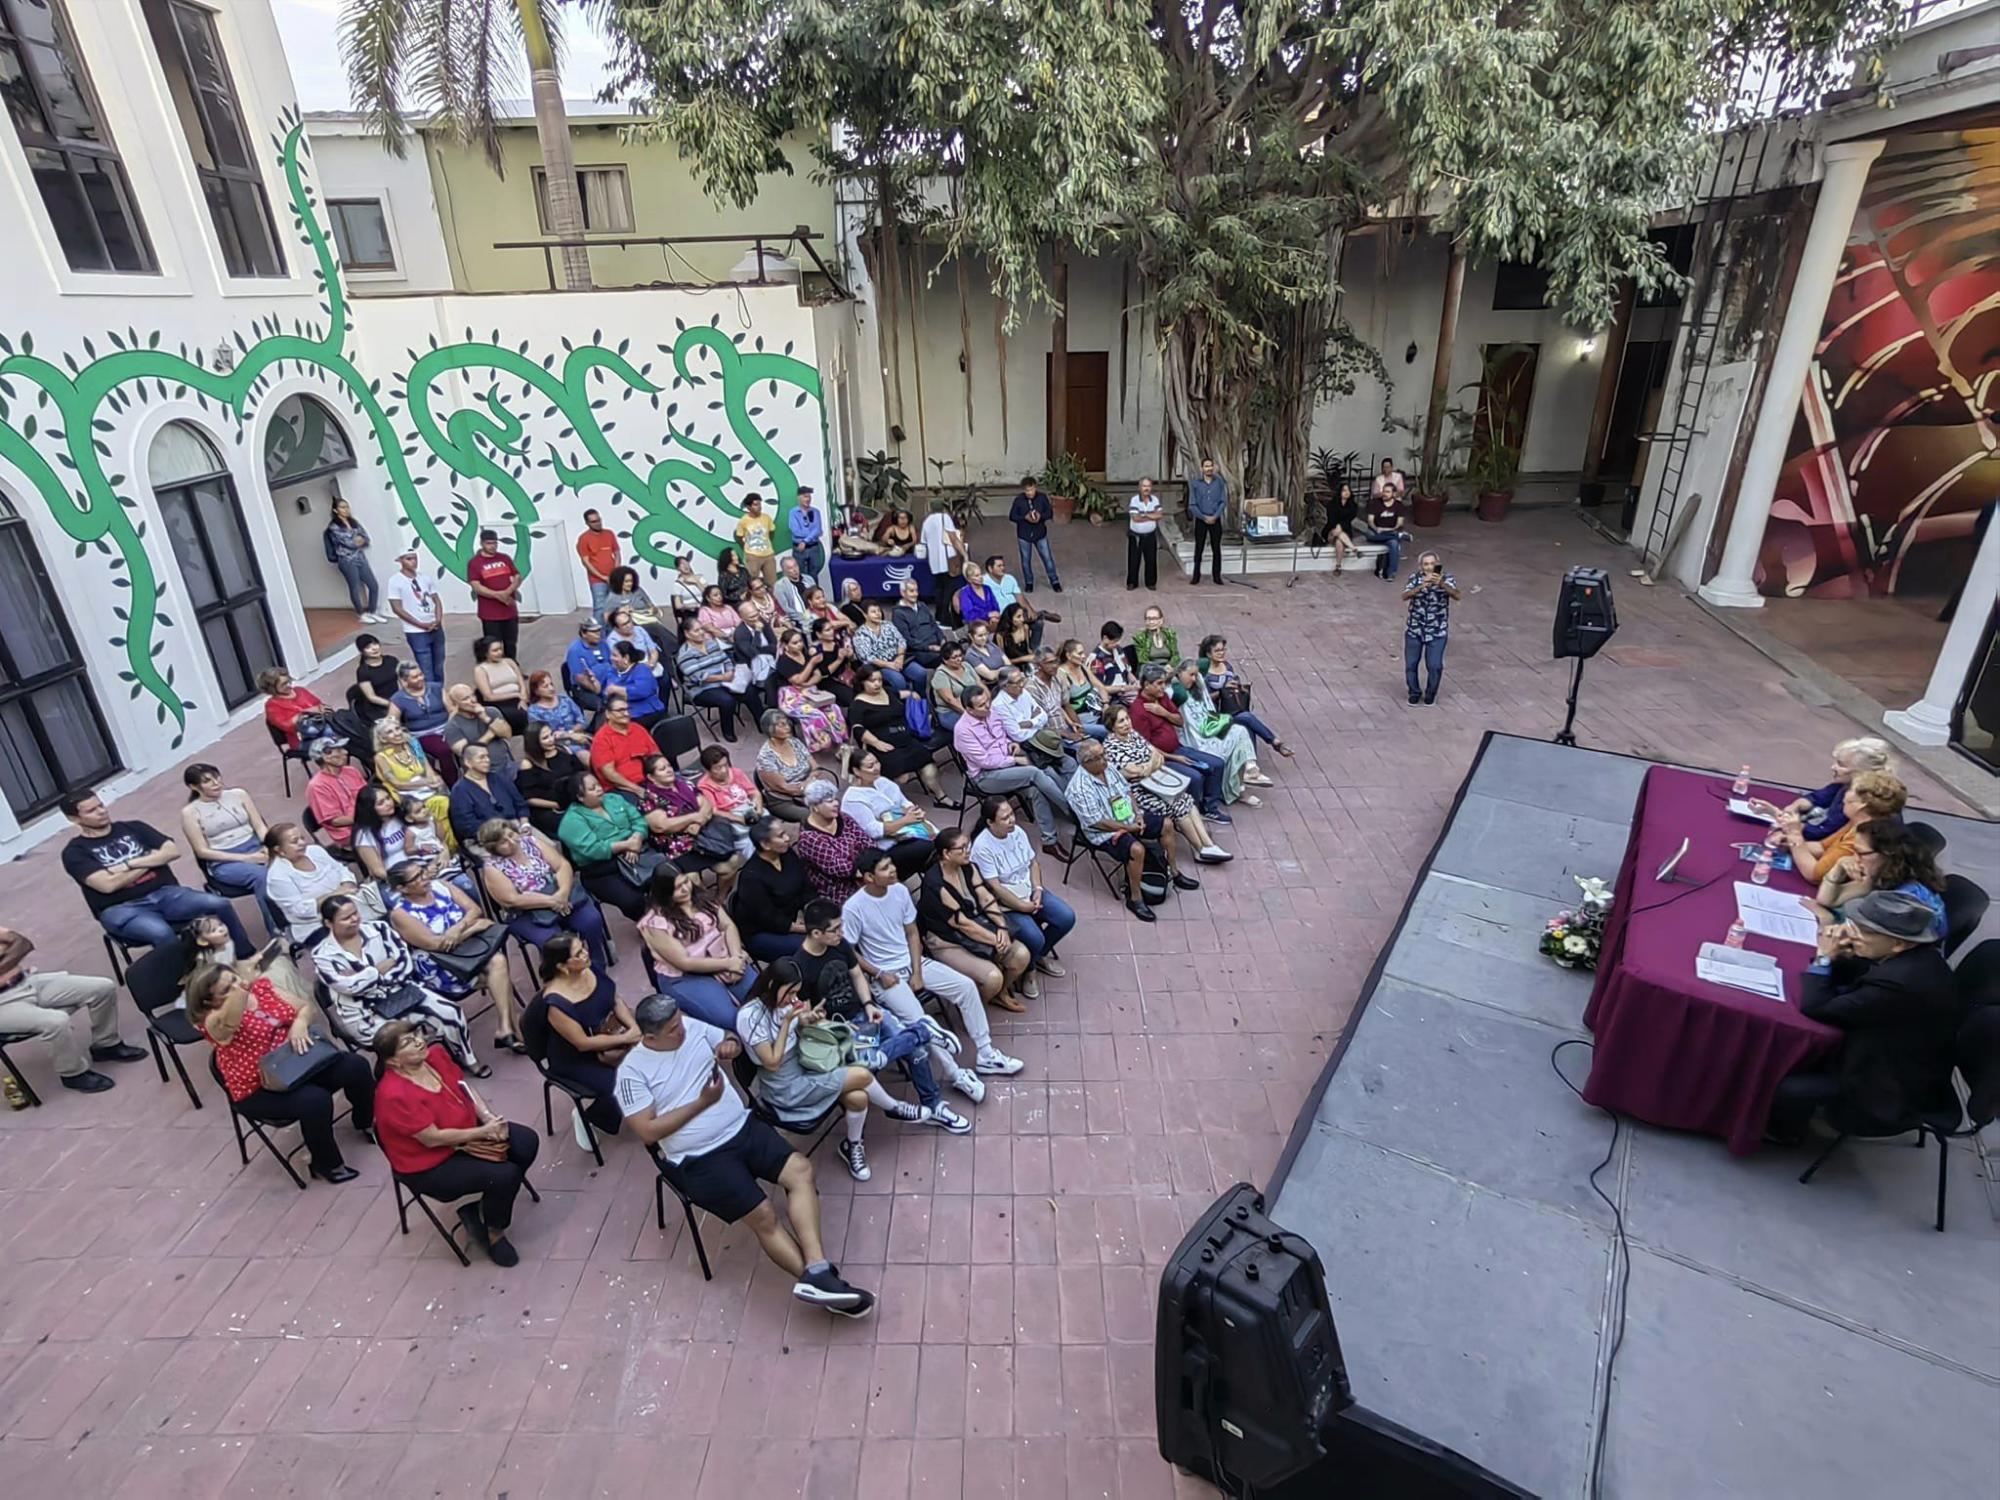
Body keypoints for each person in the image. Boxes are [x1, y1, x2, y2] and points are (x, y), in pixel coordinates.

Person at [617, 992, 875, 1313]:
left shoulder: (689, 1026)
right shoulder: (632, 1074)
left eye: (680, 1022)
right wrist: (702, 1103)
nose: (682, 1030)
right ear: (650, 1037)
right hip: (698, 1158)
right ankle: (823, 1285)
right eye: (672, 1030)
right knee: (764, 1215)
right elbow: (647, 1131)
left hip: (742, 1127)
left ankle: (818, 1271)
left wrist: (729, 1045)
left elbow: (726, 1038)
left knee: (800, 1171)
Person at [1765, 890, 1961, 1144]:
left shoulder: (1901, 982)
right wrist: (1845, 951)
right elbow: (1856, 972)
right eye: (1855, 924)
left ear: (1901, 943)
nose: (1853, 933)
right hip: (1888, 1049)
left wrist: (1824, 957)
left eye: (1865, 932)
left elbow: (1817, 1008)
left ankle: (1785, 1134)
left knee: (1782, 1080)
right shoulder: (1903, 957)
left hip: (1885, 1083)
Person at [844, 847, 1022, 1082]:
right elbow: (848, 951)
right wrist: (878, 973)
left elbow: (912, 933)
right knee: (920, 1019)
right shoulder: (853, 908)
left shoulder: (899, 891)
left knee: (966, 987)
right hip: (885, 976)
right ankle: (954, 1073)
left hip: (913, 962)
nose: (893, 870)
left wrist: (917, 971)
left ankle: (986, 1053)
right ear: (868, 877)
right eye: (885, 868)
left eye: (891, 864)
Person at [791, 901, 969, 1133]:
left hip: (866, 1014)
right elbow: (807, 1017)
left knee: (917, 1051)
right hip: (842, 1033)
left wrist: (867, 1004)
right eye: (835, 929)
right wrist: (829, 1023)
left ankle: (933, 1104)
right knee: (870, 1061)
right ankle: (922, 1030)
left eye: (841, 926)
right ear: (816, 933)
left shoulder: (840, 944)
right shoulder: (800, 966)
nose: (841, 933)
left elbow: (856, 976)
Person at [371, 1020, 537, 1266]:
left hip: (466, 1132)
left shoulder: (435, 1056)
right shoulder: (394, 1094)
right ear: (393, 1061)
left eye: (416, 1034)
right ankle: (493, 1233)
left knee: (526, 1142)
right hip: (430, 1163)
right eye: (407, 1042)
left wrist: (488, 1117)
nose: (419, 1041)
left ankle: (483, 1204)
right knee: (505, 1175)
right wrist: (482, 1133)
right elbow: (431, 1138)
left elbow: (464, 1087)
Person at [188, 965, 374, 1183]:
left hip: (297, 1061)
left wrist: (299, 1024)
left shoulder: (262, 990)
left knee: (355, 1066)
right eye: (227, 988)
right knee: (315, 1100)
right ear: (209, 1001)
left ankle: (366, 1121)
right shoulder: (212, 1022)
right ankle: (326, 1164)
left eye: (235, 978)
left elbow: (305, 1007)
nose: (238, 985)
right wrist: (239, 991)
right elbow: (230, 1021)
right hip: (259, 1086)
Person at [735, 960, 892, 1180]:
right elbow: (772, 1062)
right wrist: (788, 1022)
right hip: (784, 1085)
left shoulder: (786, 1002)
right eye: (789, 992)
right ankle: (896, 1108)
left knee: (858, 1097)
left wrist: (807, 1019)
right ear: (771, 984)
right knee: (862, 1075)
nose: (793, 998)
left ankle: (852, 1145)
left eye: (796, 993)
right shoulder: (749, 1017)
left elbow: (798, 1027)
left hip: (805, 1064)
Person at [59, 791, 251, 955]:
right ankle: (184, 983)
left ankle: (245, 955)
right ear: (74, 819)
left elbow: (172, 851)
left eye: (101, 805)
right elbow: (107, 885)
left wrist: (128, 865)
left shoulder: (134, 827)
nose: (102, 811)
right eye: (92, 810)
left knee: (219, 903)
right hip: (122, 908)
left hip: (167, 894)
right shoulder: (75, 852)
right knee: (162, 934)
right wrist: (151, 860)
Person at [312, 894, 482, 1071]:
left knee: (450, 1012)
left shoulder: (379, 929)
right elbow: (348, 987)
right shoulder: (322, 955)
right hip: (365, 1013)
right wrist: (378, 970)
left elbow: (404, 963)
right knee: (396, 1040)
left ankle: (466, 1057)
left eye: (355, 913)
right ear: (328, 923)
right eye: (346, 918)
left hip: (403, 992)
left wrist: (363, 977)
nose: (355, 919)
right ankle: (414, 1075)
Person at [384, 859, 518, 1045]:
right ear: (403, 888)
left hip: (472, 951)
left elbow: (474, 909)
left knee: (498, 963)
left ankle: (506, 1028)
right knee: (499, 972)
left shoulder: (441, 886)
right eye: (417, 877)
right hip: (443, 965)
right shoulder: (400, 914)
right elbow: (436, 944)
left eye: (423, 871)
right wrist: (473, 928)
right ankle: (513, 1030)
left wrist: (457, 930)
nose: (425, 877)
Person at [1066, 738, 1199, 922]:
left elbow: (1127, 791)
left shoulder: (1108, 768)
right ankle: (1135, 899)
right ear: (1087, 762)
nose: (1106, 759)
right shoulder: (1079, 788)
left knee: (1166, 824)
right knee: (1137, 850)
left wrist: (1137, 814)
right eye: (1100, 757)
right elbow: (1097, 822)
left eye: (1104, 754)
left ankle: (1174, 873)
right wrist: (1127, 828)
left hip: (1128, 818)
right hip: (1104, 832)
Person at [0, 926, 143, 1094]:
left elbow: (22, 944)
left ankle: (106, 1045)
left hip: (28, 982)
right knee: (56, 1021)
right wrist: (8, 957)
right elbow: (15, 947)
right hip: (4, 1004)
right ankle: (73, 1074)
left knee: (102, 987)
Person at [535, 933, 641, 1142]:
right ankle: (589, 1118)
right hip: (577, 1058)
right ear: (562, 967)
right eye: (578, 953)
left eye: (583, 948)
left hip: (609, 1033)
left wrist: (633, 1026)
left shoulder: (589, 968)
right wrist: (627, 1038)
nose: (586, 954)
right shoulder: (556, 1004)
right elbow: (582, 1043)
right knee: (622, 1083)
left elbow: (614, 999)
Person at [478, 819, 612, 975]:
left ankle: (596, 962)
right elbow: (512, 899)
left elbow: (561, 865)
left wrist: (562, 892)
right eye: (503, 842)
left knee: (591, 920)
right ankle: (566, 974)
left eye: (511, 834)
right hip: (527, 912)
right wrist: (551, 901)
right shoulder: (492, 867)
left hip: (560, 896)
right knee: (553, 941)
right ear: (493, 847)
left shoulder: (532, 842)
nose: (512, 841)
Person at [1103, 704, 1235, 863]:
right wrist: (1150, 764)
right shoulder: (1111, 747)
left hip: (1154, 783)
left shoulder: (1133, 735)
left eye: (1127, 719)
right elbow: (1133, 772)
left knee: (1186, 799)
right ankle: (1200, 849)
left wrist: (1147, 766)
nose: (1126, 723)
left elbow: (1157, 756)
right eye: (1121, 721)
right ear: (1112, 726)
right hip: (1136, 794)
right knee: (1178, 805)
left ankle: (1207, 845)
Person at [919, 830, 1034, 1009]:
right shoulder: (935, 883)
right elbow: (961, 924)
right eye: (962, 848)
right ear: (946, 854)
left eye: (968, 846)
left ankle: (1000, 994)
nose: (968, 851)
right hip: (947, 940)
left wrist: (1002, 927)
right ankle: (975, 1008)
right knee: (992, 978)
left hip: (977, 924)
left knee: (1021, 955)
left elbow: (985, 897)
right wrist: (995, 940)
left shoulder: (968, 867)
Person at [640, 866, 758, 1029]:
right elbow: (685, 962)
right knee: (731, 1019)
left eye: (686, 882)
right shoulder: (655, 923)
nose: (685, 889)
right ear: (665, 893)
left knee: (763, 998)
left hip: (723, 955)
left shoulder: (702, 897)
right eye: (677, 888)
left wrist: (736, 958)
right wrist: (728, 964)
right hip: (686, 976)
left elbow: (727, 926)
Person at [954, 686, 1073, 846]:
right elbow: (985, 761)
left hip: (1006, 764)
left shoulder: (992, 714)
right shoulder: (963, 731)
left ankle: (1049, 841)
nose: (988, 706)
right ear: (969, 709)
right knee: (1034, 772)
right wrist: (1015, 760)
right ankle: (1072, 810)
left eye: (987, 701)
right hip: (986, 776)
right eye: (981, 705)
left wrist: (1012, 744)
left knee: (1037, 787)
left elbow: (1003, 737)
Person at [971, 797, 1075, 977]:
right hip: (1007, 902)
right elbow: (996, 888)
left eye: (1011, 814)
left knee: (1066, 917)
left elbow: (1033, 863)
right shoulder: (982, 847)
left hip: (1029, 889)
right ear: (990, 822)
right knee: (1035, 938)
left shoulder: (1017, 832)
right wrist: (1022, 906)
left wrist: (1038, 889)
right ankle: (1030, 969)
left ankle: (1037, 958)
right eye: (1005, 818)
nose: (1012, 820)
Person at [180, 763, 280, 938]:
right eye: (207, 781)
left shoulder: (238, 794)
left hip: (255, 845)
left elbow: (259, 825)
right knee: (262, 876)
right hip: (225, 860)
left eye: (216, 778)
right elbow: (202, 851)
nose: (216, 783)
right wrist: (246, 858)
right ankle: (277, 929)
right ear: (194, 787)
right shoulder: (190, 812)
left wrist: (268, 845)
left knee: (290, 856)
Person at [1809, 818, 1947, 938]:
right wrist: (1838, 868)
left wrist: (1827, 921)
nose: (1854, 859)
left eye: (1861, 853)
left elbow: (1867, 943)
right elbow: (1827, 900)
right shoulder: (1884, 873)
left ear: (1887, 853)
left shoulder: (1905, 897)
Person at [1132, 672, 1242, 814]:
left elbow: (1180, 721)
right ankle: (1192, 812)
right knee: (1195, 777)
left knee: (1218, 763)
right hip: (1162, 758)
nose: (1163, 687)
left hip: (1179, 748)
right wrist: (1174, 758)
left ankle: (1210, 807)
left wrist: (1164, 713)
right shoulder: (1138, 710)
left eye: (1164, 683)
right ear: (1146, 685)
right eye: (1159, 684)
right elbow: (1145, 746)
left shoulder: (1161, 698)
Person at [1748, 737, 1895, 841]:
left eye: (1841, 764)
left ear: (1861, 772)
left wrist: (1777, 815)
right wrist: (1794, 807)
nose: (1833, 767)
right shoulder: (1846, 785)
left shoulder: (1858, 804)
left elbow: (1822, 833)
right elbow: (1817, 798)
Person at [1778, 769, 1908, 885]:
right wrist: (1789, 842)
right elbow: (1822, 847)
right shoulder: (1857, 822)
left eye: (1850, 790)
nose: (1844, 795)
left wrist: (1795, 835)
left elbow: (1814, 874)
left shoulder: (1865, 835)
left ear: (1861, 804)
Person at [556, 772, 657, 921]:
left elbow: (638, 820)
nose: (599, 789)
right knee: (632, 900)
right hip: (602, 869)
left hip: (635, 851)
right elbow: (594, 849)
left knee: (666, 873)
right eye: (592, 788)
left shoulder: (614, 799)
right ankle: (649, 926)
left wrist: (637, 837)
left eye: (598, 785)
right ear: (580, 797)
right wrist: (626, 845)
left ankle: (669, 914)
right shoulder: (570, 822)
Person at [636, 754, 744, 886]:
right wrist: (693, 817)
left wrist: (699, 822)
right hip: (678, 847)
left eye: (669, 766)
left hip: (704, 838)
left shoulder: (684, 784)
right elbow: (661, 826)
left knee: (733, 862)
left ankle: (719, 900)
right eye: (662, 769)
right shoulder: (650, 798)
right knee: (692, 880)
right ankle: (704, 904)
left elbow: (706, 804)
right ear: (651, 777)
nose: (669, 770)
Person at [1168, 659, 1265, 806]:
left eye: (1196, 674)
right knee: (1237, 739)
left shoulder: (1197, 682)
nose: (1194, 678)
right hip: (1194, 739)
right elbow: (1172, 692)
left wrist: (1195, 671)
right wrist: (1170, 676)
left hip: (1210, 727)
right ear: (1179, 673)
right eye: (1190, 675)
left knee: (1240, 732)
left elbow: (1204, 662)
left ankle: (1249, 769)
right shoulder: (1175, 691)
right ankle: (1240, 789)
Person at [849, 667, 947, 799]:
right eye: (872, 681)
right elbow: (857, 729)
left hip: (907, 740)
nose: (877, 684)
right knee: (901, 776)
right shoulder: (858, 705)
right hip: (885, 747)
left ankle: (940, 796)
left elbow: (899, 694)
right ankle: (897, 804)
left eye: (879, 680)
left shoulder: (887, 692)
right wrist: (876, 743)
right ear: (862, 682)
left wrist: (911, 694)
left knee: (928, 766)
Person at [1196, 635, 1293, 763]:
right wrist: (1222, 691)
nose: (1221, 653)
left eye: (1223, 649)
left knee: (1247, 721)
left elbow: (1234, 680)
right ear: (1208, 654)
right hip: (1216, 715)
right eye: (1217, 651)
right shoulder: (1204, 674)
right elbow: (1204, 698)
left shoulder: (1227, 666)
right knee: (1247, 718)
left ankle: (1250, 762)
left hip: (1233, 707)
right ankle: (1273, 742)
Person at [842, 751, 937, 879]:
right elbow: (873, 831)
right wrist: (905, 821)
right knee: (935, 850)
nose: (876, 768)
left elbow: (904, 802)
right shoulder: (853, 799)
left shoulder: (882, 781)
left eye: (877, 762)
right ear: (857, 771)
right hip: (887, 846)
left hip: (910, 831)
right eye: (870, 766)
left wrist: (914, 811)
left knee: (944, 842)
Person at [264, 822, 359, 943]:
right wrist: (336, 895)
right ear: (279, 850)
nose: (302, 843)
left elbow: (341, 869)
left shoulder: (315, 851)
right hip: (316, 925)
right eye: (295, 841)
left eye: (302, 838)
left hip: (350, 906)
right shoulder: (277, 877)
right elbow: (301, 909)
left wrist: (347, 883)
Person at [735, 817, 813, 961]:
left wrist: (814, 913)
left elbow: (806, 887)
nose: (787, 838)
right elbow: (769, 919)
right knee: (816, 945)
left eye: (785, 833)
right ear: (765, 844)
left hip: (790, 921)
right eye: (780, 836)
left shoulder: (787, 855)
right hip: (762, 933)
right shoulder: (751, 877)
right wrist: (805, 929)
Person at [796, 780, 879, 904]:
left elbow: (866, 842)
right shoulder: (809, 839)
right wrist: (868, 867)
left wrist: (872, 862)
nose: (836, 804)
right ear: (815, 808)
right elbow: (841, 869)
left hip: (863, 871)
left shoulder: (843, 818)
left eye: (836, 799)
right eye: (830, 801)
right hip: (838, 887)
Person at [769, 628, 848, 753]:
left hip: (810, 690)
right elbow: (798, 680)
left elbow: (817, 675)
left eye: (800, 641)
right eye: (795, 643)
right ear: (786, 645)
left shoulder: (805, 654)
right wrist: (810, 664)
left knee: (833, 708)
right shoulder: (783, 661)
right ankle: (819, 742)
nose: (799, 645)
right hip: (791, 696)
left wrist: (808, 683)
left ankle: (839, 739)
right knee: (815, 714)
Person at [678, 621, 759, 743]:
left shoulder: (711, 644)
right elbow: (698, 676)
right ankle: (728, 731)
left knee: (749, 690)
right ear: (687, 634)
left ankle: (762, 721)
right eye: (697, 630)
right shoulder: (685, 654)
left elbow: (725, 659)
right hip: (701, 689)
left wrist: (730, 672)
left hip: (724, 681)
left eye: (701, 629)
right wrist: (722, 677)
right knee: (727, 700)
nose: (701, 633)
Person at [373, 719, 456, 832]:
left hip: (426, 786)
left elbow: (427, 768)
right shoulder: (381, 757)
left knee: (451, 797)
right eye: (390, 732)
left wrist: (433, 780)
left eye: (397, 729)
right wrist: (425, 782)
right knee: (442, 803)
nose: (397, 733)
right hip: (406, 795)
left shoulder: (413, 744)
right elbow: (397, 785)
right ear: (383, 738)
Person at [1402, 550, 1461, 705]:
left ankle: (1430, 695)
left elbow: (1457, 595)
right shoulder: (1415, 578)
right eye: (1426, 564)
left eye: (1432, 564)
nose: (1429, 567)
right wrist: (1421, 586)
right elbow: (1405, 595)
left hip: (1437, 631)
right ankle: (1414, 692)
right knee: (1411, 665)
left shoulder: (1447, 578)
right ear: (1421, 566)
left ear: (1438, 565)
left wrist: (1441, 584)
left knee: (1434, 666)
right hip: (1415, 629)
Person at [447, 741, 531, 848]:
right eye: (481, 757)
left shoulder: (499, 778)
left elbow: (520, 803)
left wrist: (525, 823)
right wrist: (502, 831)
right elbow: (467, 827)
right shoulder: (460, 791)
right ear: (468, 762)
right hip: (487, 839)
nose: (487, 760)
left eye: (488, 756)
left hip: (517, 828)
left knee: (547, 847)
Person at [385, 547, 446, 685]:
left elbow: (436, 599)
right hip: (416, 631)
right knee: (426, 668)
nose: (413, 562)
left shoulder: (425, 577)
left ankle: (440, 693)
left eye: (415, 558)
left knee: (439, 665)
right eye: (409, 559)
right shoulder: (395, 581)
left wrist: (438, 619)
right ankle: (429, 696)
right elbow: (397, 608)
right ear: (400, 561)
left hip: (435, 627)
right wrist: (421, 624)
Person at [696, 743, 766, 859]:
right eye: (718, 768)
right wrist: (740, 819)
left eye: (725, 765)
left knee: (769, 828)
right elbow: (715, 810)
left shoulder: (737, 773)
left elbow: (754, 792)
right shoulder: (704, 785)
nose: (724, 770)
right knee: (749, 842)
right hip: (730, 817)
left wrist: (758, 810)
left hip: (749, 808)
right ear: (708, 770)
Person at [587, 690, 660, 798]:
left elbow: (656, 756)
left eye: (627, 709)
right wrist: (637, 789)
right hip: (621, 789)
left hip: (648, 780)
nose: (626, 714)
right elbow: (609, 774)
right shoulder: (601, 739)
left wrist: (660, 777)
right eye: (620, 710)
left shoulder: (638, 729)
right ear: (608, 714)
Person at [519, 723, 587, 838]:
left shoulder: (564, 750)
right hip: (550, 809)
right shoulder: (528, 764)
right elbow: (529, 798)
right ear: (534, 742)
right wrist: (557, 805)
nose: (551, 740)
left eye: (551, 735)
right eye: (545, 738)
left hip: (576, 801)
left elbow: (581, 774)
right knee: (579, 824)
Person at [323, 496, 383, 623]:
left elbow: (365, 538)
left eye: (347, 507)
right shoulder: (333, 527)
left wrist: (359, 541)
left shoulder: (354, 522)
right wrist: (356, 540)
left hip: (360, 557)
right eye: (342, 507)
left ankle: (372, 612)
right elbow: (347, 542)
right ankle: (361, 614)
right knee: (354, 587)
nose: (346, 510)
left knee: (373, 585)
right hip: (346, 560)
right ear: (335, 510)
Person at [464, 527, 522, 659]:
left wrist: (508, 591)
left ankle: (513, 667)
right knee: (493, 645)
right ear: (482, 543)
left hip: (509, 610)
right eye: (489, 543)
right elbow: (476, 586)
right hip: (490, 614)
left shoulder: (504, 558)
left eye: (495, 543)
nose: (492, 546)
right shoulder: (474, 563)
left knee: (511, 643)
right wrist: (497, 595)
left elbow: (517, 576)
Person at [443, 683, 518, 780]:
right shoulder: (452, 726)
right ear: (455, 704)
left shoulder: (491, 711)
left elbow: (507, 734)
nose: (473, 701)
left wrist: (486, 718)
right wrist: (490, 734)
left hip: (507, 765)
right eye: (465, 699)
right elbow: (467, 752)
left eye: (473, 695)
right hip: (482, 775)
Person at [853, 599, 927, 695]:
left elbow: (901, 641)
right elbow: (868, 657)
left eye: (878, 611)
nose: (877, 614)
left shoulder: (888, 625)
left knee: (921, 673)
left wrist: (900, 657)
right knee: (899, 681)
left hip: (899, 660)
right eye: (873, 612)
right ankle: (902, 704)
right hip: (880, 666)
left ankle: (920, 701)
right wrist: (889, 665)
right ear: (865, 614)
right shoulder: (860, 634)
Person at [755, 709, 817, 821]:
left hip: (807, 790)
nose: (788, 727)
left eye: (787, 723)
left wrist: (808, 782)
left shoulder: (795, 742)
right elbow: (784, 788)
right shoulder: (766, 757)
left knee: (830, 803)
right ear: (770, 729)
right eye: (781, 725)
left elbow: (816, 768)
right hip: (783, 800)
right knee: (811, 816)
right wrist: (808, 785)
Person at [389, 662, 452, 770]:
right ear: (405, 681)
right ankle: (452, 783)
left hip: (447, 727)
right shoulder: (398, 699)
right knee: (444, 750)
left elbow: (452, 710)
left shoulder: (436, 688)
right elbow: (392, 722)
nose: (420, 678)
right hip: (423, 734)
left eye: (421, 674)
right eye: (415, 677)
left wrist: (450, 728)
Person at [1008, 475, 1062, 591]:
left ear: (1035, 488)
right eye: (1027, 490)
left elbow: (1049, 513)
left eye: (1031, 489)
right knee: (1026, 560)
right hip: (1024, 534)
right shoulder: (1019, 500)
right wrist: (1024, 517)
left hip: (1040, 533)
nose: (1029, 492)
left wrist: (1040, 516)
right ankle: (1029, 582)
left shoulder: (1042, 498)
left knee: (1047, 558)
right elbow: (1012, 516)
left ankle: (1054, 581)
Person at [605, 567, 675, 655]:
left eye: (631, 581)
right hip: (632, 624)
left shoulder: (638, 590)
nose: (630, 584)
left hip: (646, 618)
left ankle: (672, 651)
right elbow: (607, 618)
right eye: (626, 581)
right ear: (619, 582)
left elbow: (651, 605)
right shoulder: (613, 597)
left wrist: (653, 610)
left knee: (658, 629)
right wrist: (621, 611)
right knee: (655, 629)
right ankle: (674, 649)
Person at [1051, 639, 1111, 742]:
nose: (1084, 656)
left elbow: (1100, 687)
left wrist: (1105, 704)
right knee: (1112, 732)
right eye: (1080, 653)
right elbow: (1063, 705)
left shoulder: (1082, 667)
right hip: (1083, 723)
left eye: (1083, 653)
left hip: (1099, 715)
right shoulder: (1061, 675)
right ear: (1069, 656)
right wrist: (1077, 726)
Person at [258, 667, 329, 753]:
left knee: (337, 729)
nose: (288, 685)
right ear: (272, 688)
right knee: (329, 735)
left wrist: (323, 709)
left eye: (288, 681)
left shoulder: (300, 691)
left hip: (321, 726)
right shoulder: (272, 705)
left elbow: (320, 705)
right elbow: (286, 725)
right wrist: (305, 712)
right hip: (301, 739)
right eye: (283, 684)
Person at [473, 635, 531, 735]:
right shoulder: (480, 670)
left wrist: (523, 698)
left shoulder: (509, 662)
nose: (500, 652)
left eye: (500, 649)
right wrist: (516, 695)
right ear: (485, 653)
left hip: (518, 699)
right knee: (519, 715)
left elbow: (521, 683)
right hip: (499, 703)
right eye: (495, 650)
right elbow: (488, 696)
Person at [524, 669, 592, 753]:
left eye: (551, 684)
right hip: (557, 746)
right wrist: (567, 736)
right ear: (536, 691)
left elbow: (582, 721)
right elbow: (541, 736)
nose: (551, 688)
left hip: (578, 736)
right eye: (546, 686)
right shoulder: (534, 712)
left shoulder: (565, 699)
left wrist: (572, 732)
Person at [608, 639, 669, 727]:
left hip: (647, 712)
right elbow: (607, 690)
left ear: (626, 658)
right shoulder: (612, 671)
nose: (611, 658)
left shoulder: (642, 669)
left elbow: (641, 691)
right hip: (622, 711)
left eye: (615, 655)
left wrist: (617, 690)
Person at [1186, 458, 1227, 585]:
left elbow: (1223, 501)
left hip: (1215, 519)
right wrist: (1204, 517)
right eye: (1206, 466)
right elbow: (1192, 504)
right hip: (1201, 520)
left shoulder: (1219, 482)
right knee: (1199, 548)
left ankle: (1217, 576)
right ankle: (1196, 576)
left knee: (1216, 548)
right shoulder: (1195, 484)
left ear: (1213, 467)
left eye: (1210, 466)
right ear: (1201, 468)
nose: (1208, 468)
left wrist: (1215, 516)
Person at [576, 508, 621, 621]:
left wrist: (616, 572)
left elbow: (617, 553)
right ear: (587, 523)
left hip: (613, 578)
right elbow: (586, 562)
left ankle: (613, 635)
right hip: (597, 580)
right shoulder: (584, 539)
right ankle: (599, 635)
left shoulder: (609, 534)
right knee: (600, 608)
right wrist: (602, 577)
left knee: (615, 607)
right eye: (594, 521)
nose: (598, 523)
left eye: (599, 520)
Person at [564, 618, 617, 715]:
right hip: (586, 689)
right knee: (607, 706)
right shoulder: (575, 650)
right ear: (584, 634)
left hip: (607, 683)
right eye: (594, 632)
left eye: (599, 631)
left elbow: (612, 664)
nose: (598, 635)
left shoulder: (603, 644)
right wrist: (599, 690)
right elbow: (580, 678)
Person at [1366, 461, 1407, 579]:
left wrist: (1386, 530)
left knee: (1393, 544)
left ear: (1394, 493)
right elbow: (1370, 521)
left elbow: (1399, 523)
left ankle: (1391, 574)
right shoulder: (1375, 504)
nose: (1384, 494)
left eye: (1387, 492)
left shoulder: (1399, 505)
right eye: (1383, 491)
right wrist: (1376, 528)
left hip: (1388, 532)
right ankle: (1399, 536)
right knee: (1369, 534)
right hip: (1375, 532)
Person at [918, 499, 964, 603]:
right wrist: (964, 554)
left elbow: (923, 540)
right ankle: (947, 611)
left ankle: (939, 611)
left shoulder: (927, 521)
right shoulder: (945, 518)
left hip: (934, 559)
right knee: (950, 586)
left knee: (939, 586)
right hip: (948, 558)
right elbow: (953, 538)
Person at [929, 639, 980, 731]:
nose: (959, 659)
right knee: (976, 728)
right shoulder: (940, 675)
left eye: (960, 655)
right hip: (951, 712)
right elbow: (950, 701)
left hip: (973, 704)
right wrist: (970, 714)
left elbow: (980, 684)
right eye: (954, 657)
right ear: (945, 660)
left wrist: (989, 702)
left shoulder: (966, 665)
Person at [351, 633, 401, 726]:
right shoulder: (363, 671)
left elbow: (403, 680)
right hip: (379, 707)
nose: (374, 648)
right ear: (362, 651)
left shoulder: (391, 660)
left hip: (397, 699)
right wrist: (392, 705)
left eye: (375, 644)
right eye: (368, 647)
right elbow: (371, 697)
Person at [734, 492, 780, 588]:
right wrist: (746, 548)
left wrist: (768, 543)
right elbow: (738, 537)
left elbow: (772, 531)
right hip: (752, 556)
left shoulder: (766, 518)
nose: (759, 507)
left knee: (772, 583)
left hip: (768, 555)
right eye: (756, 505)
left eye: (760, 504)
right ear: (748, 507)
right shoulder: (743, 521)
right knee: (752, 582)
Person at [1090, 622, 1139, 704]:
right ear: (1105, 638)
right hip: (1113, 698)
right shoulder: (1096, 659)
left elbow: (1127, 671)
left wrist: (1135, 683)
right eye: (1115, 641)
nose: (1118, 643)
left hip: (1128, 691)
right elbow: (1100, 688)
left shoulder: (1118, 650)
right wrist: (1124, 688)